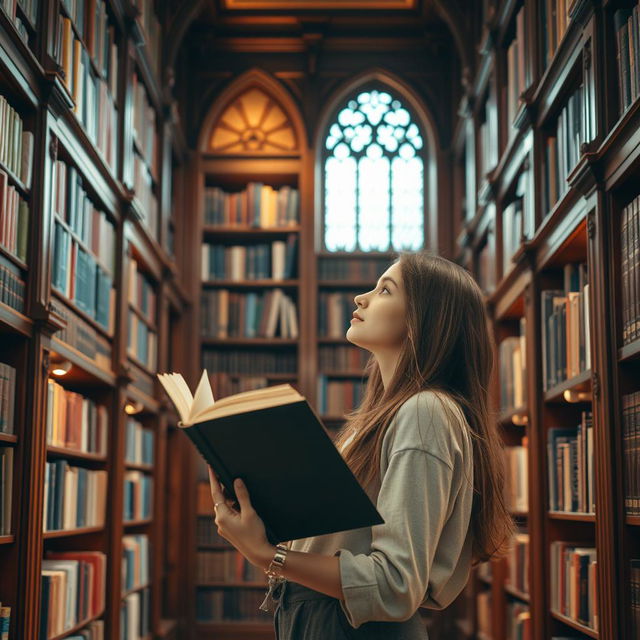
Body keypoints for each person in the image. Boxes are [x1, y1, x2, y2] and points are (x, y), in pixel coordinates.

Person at [208, 250, 513, 639]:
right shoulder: (380, 417)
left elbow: (394, 585)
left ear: (425, 319)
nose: (360, 298)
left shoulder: (425, 412)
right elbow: (342, 543)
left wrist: (269, 555)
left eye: (385, 289)